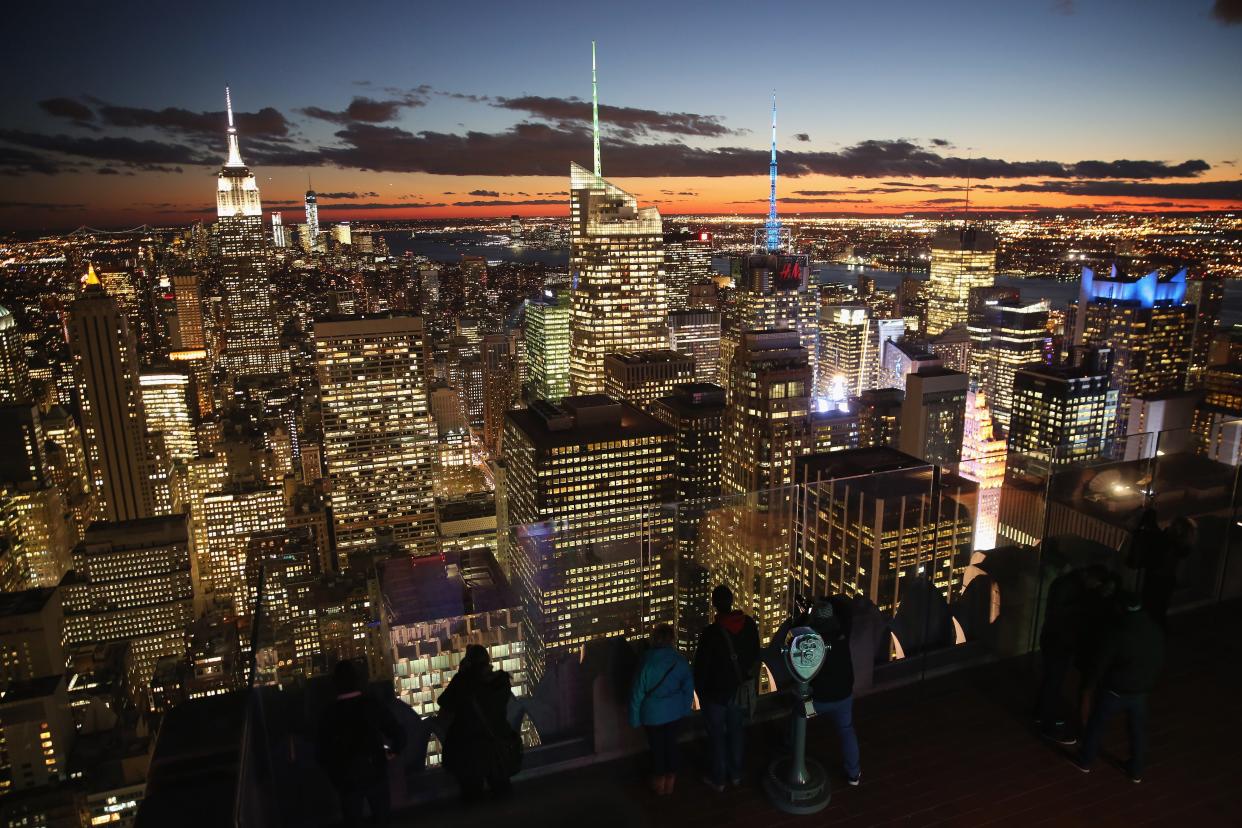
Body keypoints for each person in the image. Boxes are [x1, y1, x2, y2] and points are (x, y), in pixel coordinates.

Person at [1071, 592, 1165, 783]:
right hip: (1140, 691)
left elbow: (1101, 663)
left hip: (1115, 689)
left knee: (1097, 725)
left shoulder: (1118, 633)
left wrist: (1090, 685)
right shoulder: (1154, 630)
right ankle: (1136, 770)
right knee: (1137, 731)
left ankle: (1086, 760)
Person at [316, 660, 406, 827]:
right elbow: (397, 731)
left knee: (353, 819)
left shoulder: (329, 714)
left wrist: (335, 774)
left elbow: (322, 752)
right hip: (374, 770)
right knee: (382, 817)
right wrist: (392, 752)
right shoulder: (372, 705)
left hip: (346, 776)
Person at [693, 584, 760, 792]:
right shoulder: (748, 624)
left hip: (715, 693)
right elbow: (755, 653)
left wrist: (700, 691)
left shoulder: (710, 633)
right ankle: (736, 774)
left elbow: (701, 666)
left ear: (714, 605)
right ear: (731, 601)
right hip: (739, 689)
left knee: (717, 736)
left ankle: (719, 779)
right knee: (736, 731)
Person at [1034, 565, 1109, 744]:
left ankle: (1041, 714)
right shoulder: (1072, 589)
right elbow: (1061, 613)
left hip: (1055, 639)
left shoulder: (1066, 584)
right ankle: (1047, 724)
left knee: (1052, 679)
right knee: (1054, 680)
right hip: (1058, 641)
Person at [438, 644, 520, 802]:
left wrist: (461, 675)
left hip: (470, 749)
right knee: (501, 789)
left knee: (472, 793)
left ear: (469, 663)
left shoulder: (463, 685)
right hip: (496, 745)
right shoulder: (500, 682)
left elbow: (444, 702)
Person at [629, 624, 694, 796]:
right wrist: (685, 709)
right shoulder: (679, 661)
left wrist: (634, 718)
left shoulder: (646, 662)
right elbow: (688, 689)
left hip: (652, 715)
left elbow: (637, 693)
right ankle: (670, 780)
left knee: (657, 748)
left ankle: (659, 782)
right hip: (674, 712)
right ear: (672, 640)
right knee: (671, 745)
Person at [805, 597, 861, 786]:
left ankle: (791, 747)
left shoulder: (811, 641)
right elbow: (845, 610)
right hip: (844, 696)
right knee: (846, 729)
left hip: (817, 702)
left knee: (799, 715)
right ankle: (854, 774)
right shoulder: (843, 632)